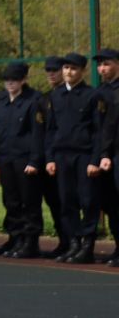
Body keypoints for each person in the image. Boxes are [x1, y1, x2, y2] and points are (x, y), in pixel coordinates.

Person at [42, 52, 105, 265]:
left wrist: (94, 160)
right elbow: (50, 130)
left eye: (74, 68)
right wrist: (50, 158)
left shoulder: (92, 95)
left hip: (84, 155)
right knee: (66, 201)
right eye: (66, 68)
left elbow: (98, 131)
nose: (69, 72)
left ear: (82, 71)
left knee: (87, 201)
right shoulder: (56, 96)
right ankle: (74, 243)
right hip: (62, 155)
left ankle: (87, 246)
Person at [0, 61, 44, 259]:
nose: (10, 83)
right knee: (11, 201)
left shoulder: (33, 100)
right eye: (7, 80)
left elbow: (37, 133)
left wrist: (34, 160)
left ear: (24, 80)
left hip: (24, 159)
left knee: (29, 201)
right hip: (5, 158)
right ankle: (15, 238)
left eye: (15, 80)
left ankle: (30, 242)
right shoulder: (0, 103)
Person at [36, 56, 68, 256]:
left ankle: (77, 241)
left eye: (55, 70)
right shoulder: (44, 98)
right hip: (49, 159)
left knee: (71, 202)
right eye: (48, 71)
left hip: (68, 155)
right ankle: (65, 241)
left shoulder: (71, 95)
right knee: (55, 202)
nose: (51, 74)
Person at [92, 48, 119, 264]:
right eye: (99, 65)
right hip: (106, 154)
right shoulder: (100, 91)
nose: (102, 69)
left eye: (106, 64)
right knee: (110, 202)